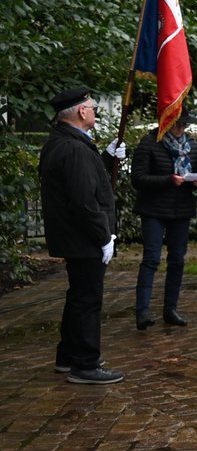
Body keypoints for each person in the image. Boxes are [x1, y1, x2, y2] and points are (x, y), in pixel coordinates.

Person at [39, 87, 125, 384]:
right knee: (88, 300)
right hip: (84, 237)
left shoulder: (64, 141)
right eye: (91, 106)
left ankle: (68, 356)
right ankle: (85, 364)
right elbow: (83, 200)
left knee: (78, 296)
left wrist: (106, 157)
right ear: (81, 112)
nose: (95, 111)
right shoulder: (74, 147)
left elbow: (83, 180)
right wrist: (104, 236)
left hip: (76, 236)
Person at [130, 108, 197, 329]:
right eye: (178, 125)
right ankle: (142, 312)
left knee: (177, 260)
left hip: (181, 209)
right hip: (154, 209)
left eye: (184, 126)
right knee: (151, 258)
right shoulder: (149, 143)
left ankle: (170, 308)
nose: (182, 130)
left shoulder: (192, 146)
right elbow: (138, 178)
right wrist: (167, 180)